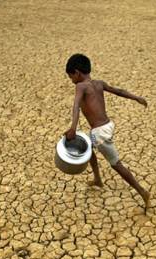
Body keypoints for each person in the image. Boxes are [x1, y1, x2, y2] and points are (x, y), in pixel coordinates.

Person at [64, 53, 151, 212]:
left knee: (116, 164)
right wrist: (136, 98)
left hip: (100, 133)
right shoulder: (98, 83)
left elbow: (76, 106)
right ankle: (97, 179)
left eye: (71, 77)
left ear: (77, 73)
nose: (71, 81)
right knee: (88, 147)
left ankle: (142, 191)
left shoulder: (80, 86)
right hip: (107, 125)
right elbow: (118, 91)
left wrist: (73, 128)